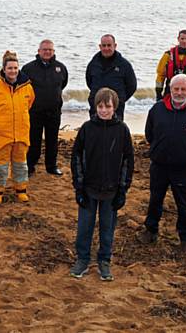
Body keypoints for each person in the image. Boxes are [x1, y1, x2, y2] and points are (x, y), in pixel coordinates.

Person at [140, 74, 186, 252]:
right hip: (159, 165)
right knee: (155, 199)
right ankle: (150, 231)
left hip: (183, 168)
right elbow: (149, 134)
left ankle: (185, 239)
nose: (179, 93)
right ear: (170, 89)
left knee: (185, 203)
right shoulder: (157, 109)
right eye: (176, 89)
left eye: (183, 89)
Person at [70, 88, 133, 281]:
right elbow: (76, 157)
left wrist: (123, 189)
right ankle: (82, 259)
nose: (104, 110)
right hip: (89, 188)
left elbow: (128, 161)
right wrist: (79, 187)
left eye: (108, 106)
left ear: (115, 107)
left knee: (107, 228)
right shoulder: (87, 128)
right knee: (85, 227)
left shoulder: (122, 130)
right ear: (95, 106)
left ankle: (104, 261)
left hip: (112, 190)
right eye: (100, 106)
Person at [0, 51, 35, 204]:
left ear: (18, 69)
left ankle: (21, 189)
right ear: (4, 69)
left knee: (20, 165)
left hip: (21, 133)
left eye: (15, 68)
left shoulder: (27, 87)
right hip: (1, 134)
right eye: (9, 68)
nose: (13, 71)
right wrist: (0, 121)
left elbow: (29, 104)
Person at [22, 39, 68, 176]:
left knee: (52, 140)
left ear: (53, 51)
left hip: (54, 111)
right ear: (39, 51)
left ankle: (51, 166)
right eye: (44, 49)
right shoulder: (28, 68)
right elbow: (23, 88)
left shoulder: (61, 68)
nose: (47, 52)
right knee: (33, 141)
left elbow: (63, 84)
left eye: (50, 50)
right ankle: (30, 166)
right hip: (34, 112)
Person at [86, 34, 137, 120]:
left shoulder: (124, 65)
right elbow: (89, 81)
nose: (106, 48)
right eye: (104, 45)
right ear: (100, 46)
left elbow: (132, 86)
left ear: (115, 46)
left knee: (116, 132)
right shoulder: (93, 63)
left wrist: (119, 99)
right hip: (96, 107)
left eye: (109, 45)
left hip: (116, 109)